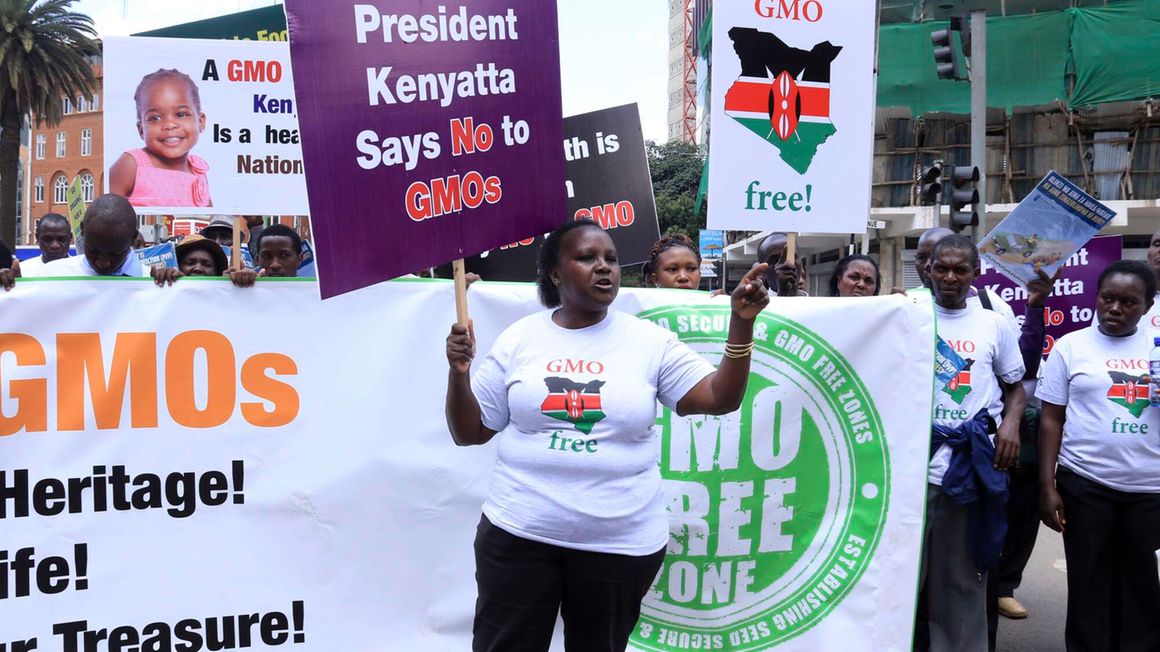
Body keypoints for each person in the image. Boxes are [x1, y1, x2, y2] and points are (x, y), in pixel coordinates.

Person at [444, 219, 769, 652]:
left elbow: (719, 398)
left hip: (619, 544)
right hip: (519, 535)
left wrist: (741, 325)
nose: (604, 268)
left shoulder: (649, 342)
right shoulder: (520, 338)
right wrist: (459, 373)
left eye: (611, 260)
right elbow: (469, 432)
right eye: (587, 258)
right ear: (555, 274)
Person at [1037, 260, 1160, 652]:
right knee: (1089, 583)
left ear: (1147, 305)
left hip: (1150, 489)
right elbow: (1051, 420)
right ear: (1096, 297)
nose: (1116, 308)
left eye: (1129, 302)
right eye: (1108, 298)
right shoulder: (1071, 346)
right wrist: (1047, 486)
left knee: (1141, 586)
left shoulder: (1158, 349)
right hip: (1085, 484)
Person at [919, 234, 1026, 652]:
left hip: (966, 472)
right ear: (927, 269)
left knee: (961, 584)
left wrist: (1011, 425)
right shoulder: (907, 314)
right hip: (910, 469)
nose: (949, 277)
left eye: (959, 269)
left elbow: (1016, 389)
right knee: (900, 580)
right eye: (940, 268)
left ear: (975, 274)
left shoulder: (993, 324)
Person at [109, 68, 211, 208]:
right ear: (141, 129)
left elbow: (210, 216)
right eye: (155, 118)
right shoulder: (131, 165)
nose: (169, 125)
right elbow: (108, 212)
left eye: (181, 114)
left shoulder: (198, 171)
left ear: (200, 121)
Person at [151, 234, 256, 288]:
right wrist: (160, 282)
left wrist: (243, 284)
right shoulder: (165, 295)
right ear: (177, 266)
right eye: (190, 263)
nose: (198, 268)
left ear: (216, 271)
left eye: (207, 264)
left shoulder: (227, 297)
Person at [757, 232, 807, 296]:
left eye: (791, 258)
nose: (786, 265)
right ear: (762, 271)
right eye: (776, 260)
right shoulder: (753, 305)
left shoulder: (818, 303)